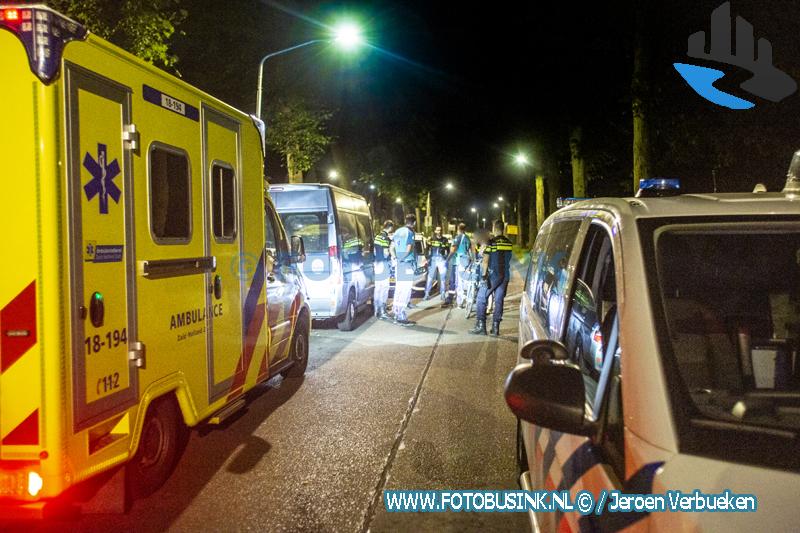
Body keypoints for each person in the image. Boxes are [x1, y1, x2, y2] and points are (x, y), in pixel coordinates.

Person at [470, 219, 513, 336]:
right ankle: (495, 328)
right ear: (503, 229)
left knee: (481, 297)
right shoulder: (509, 242)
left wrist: (484, 276)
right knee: (499, 300)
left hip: (493, 275)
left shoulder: (491, 242)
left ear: (494, 228)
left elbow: (485, 261)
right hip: (505, 275)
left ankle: (481, 326)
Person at [391, 213, 417, 326]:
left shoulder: (397, 231)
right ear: (414, 222)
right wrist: (402, 258)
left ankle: (396, 313)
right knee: (405, 290)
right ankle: (401, 316)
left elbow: (391, 247)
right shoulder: (410, 233)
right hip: (406, 264)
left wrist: (395, 257)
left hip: (398, 264)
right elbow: (409, 248)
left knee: (399, 289)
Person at [373, 220, 394, 320]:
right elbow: (386, 253)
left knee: (378, 287)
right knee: (385, 288)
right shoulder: (385, 238)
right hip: (384, 264)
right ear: (390, 228)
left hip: (377, 264)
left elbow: (374, 251)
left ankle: (376, 309)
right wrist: (391, 257)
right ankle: (383, 311)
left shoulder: (377, 237)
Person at [424, 226, 449, 302]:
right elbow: (426, 249)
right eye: (438, 230)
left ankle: (443, 294)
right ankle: (427, 294)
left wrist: (445, 258)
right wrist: (427, 257)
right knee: (430, 277)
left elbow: (448, 250)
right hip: (433, 260)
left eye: (440, 230)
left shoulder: (445, 240)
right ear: (435, 231)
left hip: (441, 260)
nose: (439, 231)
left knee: (443, 278)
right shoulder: (431, 239)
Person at [450, 223, 472, 308]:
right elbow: (469, 250)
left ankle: (460, 302)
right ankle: (467, 300)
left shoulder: (457, 238)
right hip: (466, 262)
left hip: (459, 261)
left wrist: (448, 259)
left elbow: (453, 249)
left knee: (459, 282)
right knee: (465, 280)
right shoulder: (467, 238)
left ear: (458, 229)